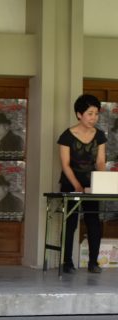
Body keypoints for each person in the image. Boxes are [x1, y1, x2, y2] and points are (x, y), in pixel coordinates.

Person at [57, 94, 107, 274]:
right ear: (79, 114)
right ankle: (67, 262)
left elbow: (100, 162)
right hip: (71, 182)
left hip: (91, 183)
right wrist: (76, 185)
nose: (94, 118)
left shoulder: (100, 135)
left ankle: (94, 262)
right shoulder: (67, 136)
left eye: (96, 114)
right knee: (70, 222)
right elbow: (65, 164)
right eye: (90, 113)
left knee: (93, 221)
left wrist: (100, 181)